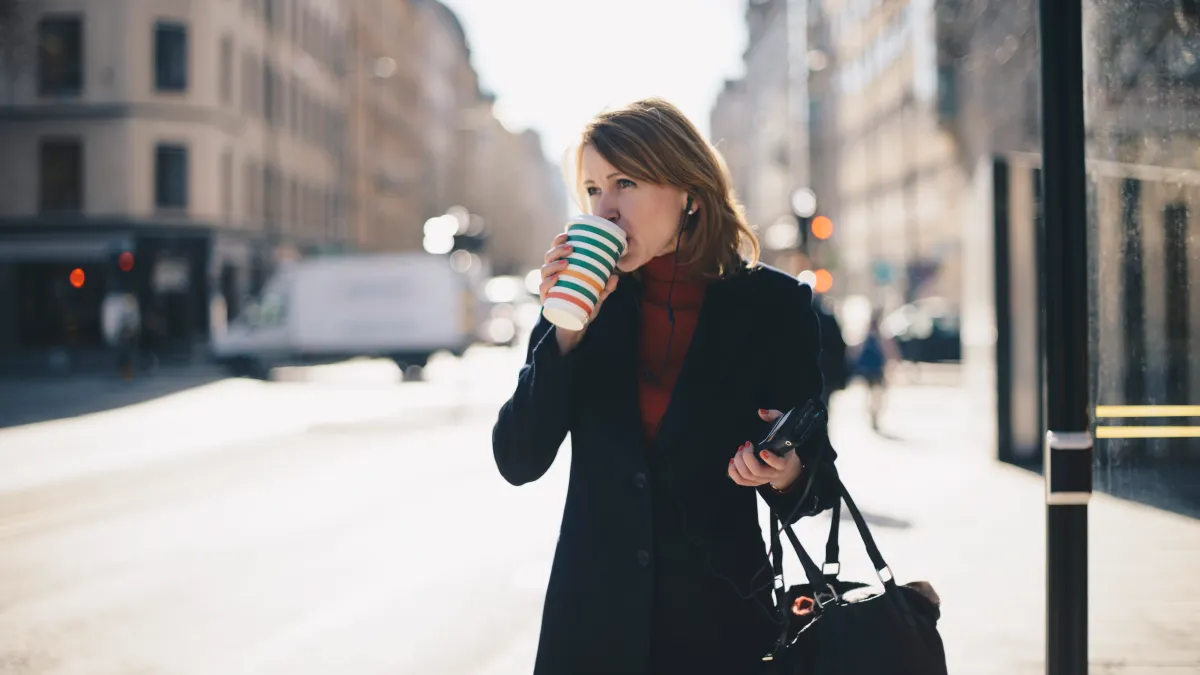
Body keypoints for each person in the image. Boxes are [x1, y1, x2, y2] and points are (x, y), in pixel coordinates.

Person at [492, 99, 838, 675]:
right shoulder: (581, 300)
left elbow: (819, 477)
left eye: (625, 182)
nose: (606, 207)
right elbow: (518, 458)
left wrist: (786, 472)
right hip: (593, 627)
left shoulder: (774, 306)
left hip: (719, 627)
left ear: (689, 193)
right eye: (592, 189)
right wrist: (564, 337)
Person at [854, 309, 900, 430]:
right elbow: (890, 350)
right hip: (876, 370)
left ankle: (872, 412)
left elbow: (856, 350)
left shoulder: (867, 335)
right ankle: (873, 413)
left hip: (869, 370)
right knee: (877, 393)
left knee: (873, 393)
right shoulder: (880, 336)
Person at [812, 292, 847, 408]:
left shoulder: (801, 320)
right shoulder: (828, 320)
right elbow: (840, 346)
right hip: (826, 372)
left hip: (818, 371)